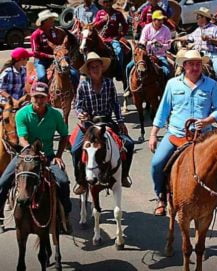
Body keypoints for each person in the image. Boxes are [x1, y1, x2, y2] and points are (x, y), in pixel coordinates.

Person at [148, 50, 217, 216]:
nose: (195, 67)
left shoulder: (212, 85)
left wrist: (207, 121)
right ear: (184, 66)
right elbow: (163, 111)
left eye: (198, 64)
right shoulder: (172, 84)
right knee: (157, 163)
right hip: (176, 134)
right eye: (191, 64)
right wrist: (154, 134)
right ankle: (160, 196)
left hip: (203, 136)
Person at [0, 82, 72, 234]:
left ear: (48, 98)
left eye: (42, 97)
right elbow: (22, 138)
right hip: (25, 155)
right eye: (36, 97)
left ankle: (65, 214)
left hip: (48, 155)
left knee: (63, 181)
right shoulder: (22, 114)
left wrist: (58, 156)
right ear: (31, 98)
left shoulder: (55, 115)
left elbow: (65, 135)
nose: (39, 100)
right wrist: (30, 151)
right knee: (3, 181)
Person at [71, 52, 134, 195]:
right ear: (88, 69)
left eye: (97, 66)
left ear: (102, 67)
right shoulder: (83, 85)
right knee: (75, 149)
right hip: (89, 123)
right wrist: (81, 114)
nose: (95, 69)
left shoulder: (109, 83)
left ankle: (123, 175)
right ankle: (80, 181)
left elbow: (115, 104)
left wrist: (120, 121)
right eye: (92, 67)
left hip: (106, 121)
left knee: (129, 144)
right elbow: (78, 105)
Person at [175, 7, 217, 96]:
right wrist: (175, 39)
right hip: (198, 55)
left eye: (198, 17)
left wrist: (209, 39)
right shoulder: (198, 30)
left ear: (204, 18)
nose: (196, 19)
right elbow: (189, 37)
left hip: (212, 54)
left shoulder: (214, 28)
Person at [125, 10, 172, 96]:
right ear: (153, 20)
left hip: (160, 55)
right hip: (146, 54)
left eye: (162, 20)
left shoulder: (166, 29)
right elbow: (142, 42)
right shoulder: (147, 28)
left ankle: (166, 91)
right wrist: (151, 43)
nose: (161, 22)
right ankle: (128, 88)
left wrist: (161, 45)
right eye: (159, 20)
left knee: (167, 71)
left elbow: (169, 45)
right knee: (128, 67)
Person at [30, 9, 79, 87]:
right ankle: (43, 95)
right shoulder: (35, 35)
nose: (53, 20)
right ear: (45, 21)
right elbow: (36, 53)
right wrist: (50, 56)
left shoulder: (55, 32)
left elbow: (59, 45)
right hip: (41, 60)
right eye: (51, 19)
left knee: (74, 73)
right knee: (42, 76)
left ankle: (76, 92)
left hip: (57, 57)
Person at [94, 0, 129, 81]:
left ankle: (119, 72)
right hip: (101, 39)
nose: (107, 4)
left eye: (109, 2)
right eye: (105, 2)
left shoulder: (118, 13)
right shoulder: (100, 13)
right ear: (103, 4)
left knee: (119, 51)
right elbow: (95, 26)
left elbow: (125, 25)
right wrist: (103, 20)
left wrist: (120, 35)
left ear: (111, 3)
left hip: (113, 38)